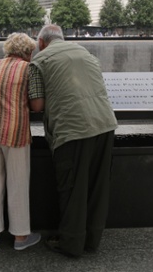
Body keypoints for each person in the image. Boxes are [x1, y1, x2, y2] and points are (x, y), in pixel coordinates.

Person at [28, 24, 118, 257]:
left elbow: (37, 104)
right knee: (98, 185)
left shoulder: (39, 61)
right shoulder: (85, 53)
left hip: (73, 130)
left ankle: (71, 243)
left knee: (72, 188)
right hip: (105, 124)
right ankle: (92, 240)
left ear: (41, 43)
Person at [0, 32, 41, 251]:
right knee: (18, 184)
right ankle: (20, 237)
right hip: (15, 133)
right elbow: (36, 106)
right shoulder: (29, 69)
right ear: (28, 51)